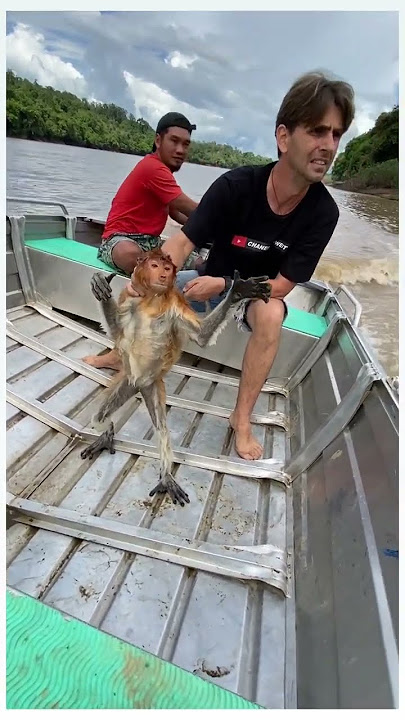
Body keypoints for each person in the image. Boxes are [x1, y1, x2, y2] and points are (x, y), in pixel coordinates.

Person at [90, 71, 355, 461]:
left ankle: (241, 418)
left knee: (271, 312)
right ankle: (121, 352)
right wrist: (148, 277)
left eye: (336, 134)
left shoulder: (323, 213)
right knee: (148, 284)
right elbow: (182, 242)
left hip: (249, 295)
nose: (329, 145)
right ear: (284, 137)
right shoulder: (236, 186)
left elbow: (281, 286)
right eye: (318, 131)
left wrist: (225, 285)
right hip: (205, 281)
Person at [97, 111, 199, 275]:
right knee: (129, 254)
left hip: (151, 243)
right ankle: (156, 277)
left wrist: (202, 230)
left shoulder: (165, 173)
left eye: (185, 144)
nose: (180, 150)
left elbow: (176, 212)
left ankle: (158, 275)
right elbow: (188, 207)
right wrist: (227, 222)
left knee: (198, 263)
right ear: (158, 140)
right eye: (174, 141)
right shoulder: (152, 168)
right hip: (120, 239)